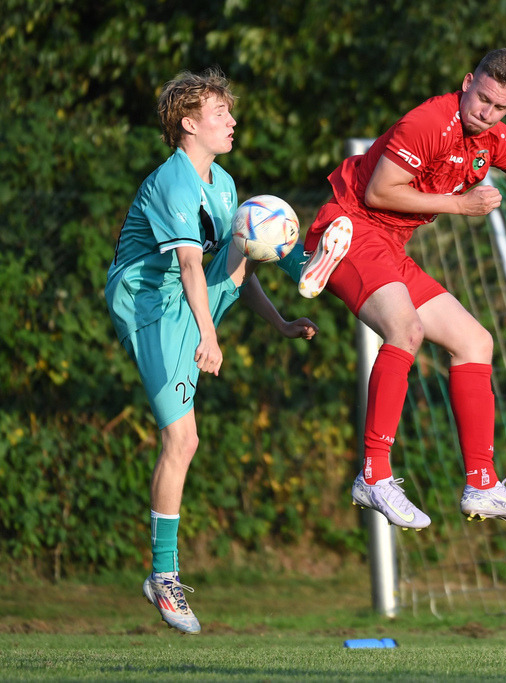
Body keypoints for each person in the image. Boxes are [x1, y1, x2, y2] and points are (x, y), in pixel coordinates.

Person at [297, 48, 506, 530]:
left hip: (389, 246)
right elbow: (379, 191)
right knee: (406, 329)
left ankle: (481, 482)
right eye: (482, 98)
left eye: (500, 107)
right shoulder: (427, 122)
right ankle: (373, 474)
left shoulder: (492, 138)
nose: (487, 112)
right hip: (351, 227)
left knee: (475, 341)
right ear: (467, 82)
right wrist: (462, 205)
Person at [105, 68, 318, 634]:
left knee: (252, 223)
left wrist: (280, 324)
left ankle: (309, 266)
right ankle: (163, 577)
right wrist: (209, 334)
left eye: (230, 111)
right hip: (148, 302)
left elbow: (235, 269)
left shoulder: (221, 183)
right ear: (188, 123)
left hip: (187, 296)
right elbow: (189, 265)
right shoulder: (174, 183)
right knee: (183, 439)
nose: (232, 120)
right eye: (220, 113)